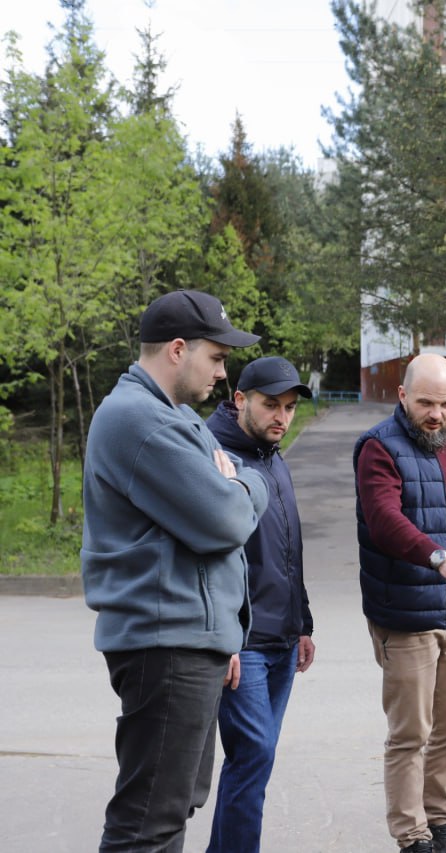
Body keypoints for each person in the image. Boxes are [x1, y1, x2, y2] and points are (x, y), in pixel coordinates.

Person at [81, 289, 268, 852]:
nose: (223, 372)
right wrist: (245, 483)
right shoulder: (140, 420)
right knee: (148, 823)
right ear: (178, 350)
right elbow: (225, 519)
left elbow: (225, 500)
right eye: (217, 357)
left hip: (189, 640)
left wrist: (223, 634)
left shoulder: (175, 416)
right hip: (166, 646)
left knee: (172, 807)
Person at [353, 353, 446, 853]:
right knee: (410, 733)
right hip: (408, 612)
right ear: (402, 395)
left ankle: (439, 820)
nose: (436, 414)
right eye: (425, 403)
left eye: (445, 404)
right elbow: (384, 520)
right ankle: (412, 835)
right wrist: (438, 559)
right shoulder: (378, 448)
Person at [205, 356, 316, 853]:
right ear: (240, 400)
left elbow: (288, 549)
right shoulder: (214, 455)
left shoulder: (272, 456)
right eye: (271, 405)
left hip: (283, 640)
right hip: (244, 643)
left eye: (290, 408)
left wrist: (303, 623)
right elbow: (208, 555)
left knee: (255, 761)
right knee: (252, 754)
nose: (282, 417)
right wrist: (223, 637)